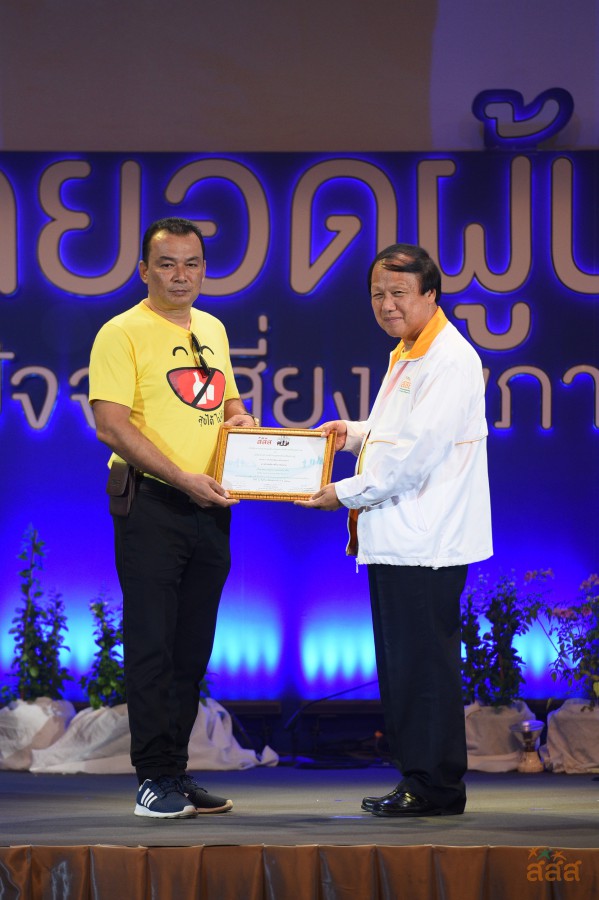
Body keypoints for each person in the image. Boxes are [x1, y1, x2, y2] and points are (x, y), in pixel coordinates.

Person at [297, 243, 492, 817]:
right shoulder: (409, 351)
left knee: (423, 670)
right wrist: (353, 434)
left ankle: (434, 786)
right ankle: (420, 779)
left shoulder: (448, 358)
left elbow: (416, 456)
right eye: (378, 294)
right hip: (399, 540)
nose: (387, 304)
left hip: (425, 543)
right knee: (405, 667)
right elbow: (399, 433)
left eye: (399, 293)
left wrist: (343, 492)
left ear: (431, 294)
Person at [88, 217, 257, 818]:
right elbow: (111, 425)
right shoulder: (120, 332)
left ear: (204, 270)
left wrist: (241, 421)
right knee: (153, 646)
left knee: (191, 650)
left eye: (191, 263)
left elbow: (228, 402)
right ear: (144, 270)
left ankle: (176, 773)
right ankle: (150, 778)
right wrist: (182, 476)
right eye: (167, 264)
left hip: (210, 506)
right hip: (152, 504)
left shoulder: (212, 327)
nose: (180, 275)